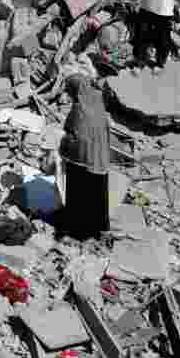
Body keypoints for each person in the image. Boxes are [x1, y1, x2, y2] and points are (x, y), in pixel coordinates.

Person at [58, 75, 110, 241]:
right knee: (97, 195)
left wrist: (63, 146)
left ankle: (78, 232)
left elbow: (75, 135)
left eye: (71, 90)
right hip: (100, 159)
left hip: (81, 160)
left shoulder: (79, 108)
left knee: (80, 195)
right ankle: (98, 230)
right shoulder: (98, 104)